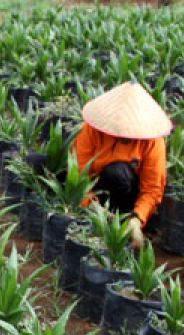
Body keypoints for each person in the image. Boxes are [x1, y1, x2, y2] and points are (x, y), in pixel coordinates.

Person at [72, 80, 171, 250]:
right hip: (96, 190)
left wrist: (137, 218)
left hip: (128, 196)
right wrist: (91, 206)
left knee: (118, 173)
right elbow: (78, 175)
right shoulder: (91, 131)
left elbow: (152, 189)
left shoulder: (153, 142)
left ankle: (125, 224)